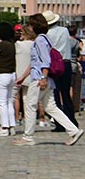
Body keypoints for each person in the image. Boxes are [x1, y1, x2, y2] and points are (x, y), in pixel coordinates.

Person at [14, 13, 83, 146]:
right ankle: (73, 130)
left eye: (30, 24)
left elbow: (45, 61)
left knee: (30, 105)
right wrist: (23, 77)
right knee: (51, 107)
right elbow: (36, 62)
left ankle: (28, 136)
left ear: (34, 26)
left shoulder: (40, 40)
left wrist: (43, 77)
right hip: (45, 78)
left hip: (39, 78)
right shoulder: (45, 39)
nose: (29, 27)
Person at [44, 10, 79, 131]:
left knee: (55, 94)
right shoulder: (64, 30)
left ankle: (60, 123)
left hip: (54, 64)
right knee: (66, 94)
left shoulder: (47, 33)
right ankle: (72, 120)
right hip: (66, 63)